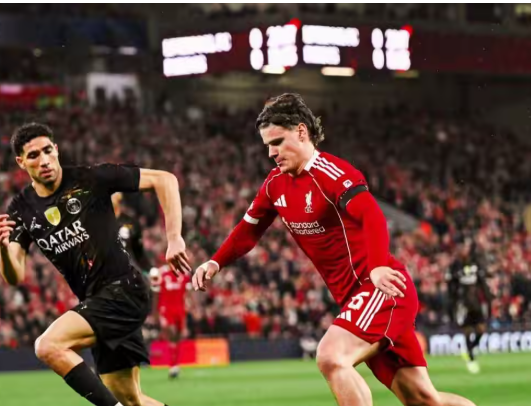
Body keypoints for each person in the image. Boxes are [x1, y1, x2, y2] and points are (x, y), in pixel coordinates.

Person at [192, 94, 476, 406]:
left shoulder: (332, 173)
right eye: (267, 146)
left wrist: (377, 266)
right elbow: (249, 229)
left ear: (301, 132)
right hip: (355, 299)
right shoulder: (275, 185)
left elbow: (372, 215)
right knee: (425, 400)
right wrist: (215, 262)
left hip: (379, 288)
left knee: (330, 357)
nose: (271, 153)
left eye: (277, 142)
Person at [0, 122, 191, 406]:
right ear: (21, 162)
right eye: (33, 155)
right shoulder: (21, 210)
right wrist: (2, 248)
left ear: (56, 150)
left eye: (47, 150)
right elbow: (14, 275)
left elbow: (165, 179)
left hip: (124, 290)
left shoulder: (91, 178)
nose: (44, 160)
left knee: (48, 346)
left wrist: (174, 238)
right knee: (132, 400)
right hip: (97, 302)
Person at [447, 243, 492, 374]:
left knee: (481, 329)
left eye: (466, 247)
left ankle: (471, 348)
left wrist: (488, 298)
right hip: (463, 303)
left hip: (476, 302)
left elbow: (482, 282)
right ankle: (471, 359)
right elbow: (451, 285)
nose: (464, 250)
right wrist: (454, 302)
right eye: (462, 248)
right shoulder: (455, 266)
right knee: (467, 330)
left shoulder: (475, 263)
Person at [149, 262, 191, 379]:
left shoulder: (184, 273)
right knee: (171, 333)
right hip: (166, 309)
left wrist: (191, 307)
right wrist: (155, 313)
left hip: (180, 309)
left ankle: (175, 365)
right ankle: (173, 365)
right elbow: (156, 294)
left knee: (178, 337)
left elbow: (187, 293)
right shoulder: (161, 273)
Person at [111, 192, 152, 274]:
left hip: (129, 270)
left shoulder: (130, 222)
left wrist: (150, 269)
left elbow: (138, 251)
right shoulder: (98, 224)